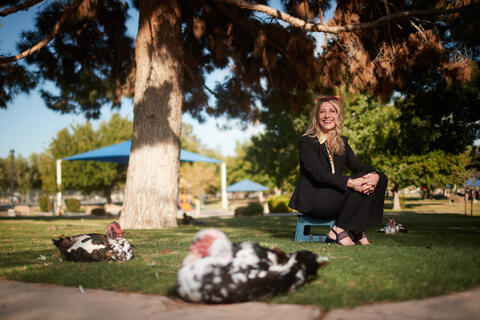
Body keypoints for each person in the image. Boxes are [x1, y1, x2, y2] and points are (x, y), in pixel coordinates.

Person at [289, 96, 388, 246]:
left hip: (334, 195)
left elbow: (356, 165)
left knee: (379, 178)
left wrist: (375, 175)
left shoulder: (342, 141)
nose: (327, 115)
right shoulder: (307, 141)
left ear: (338, 115)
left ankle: (356, 229)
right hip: (315, 199)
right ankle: (338, 230)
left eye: (332, 111)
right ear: (317, 116)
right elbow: (318, 174)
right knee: (358, 182)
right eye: (322, 112)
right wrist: (351, 183)